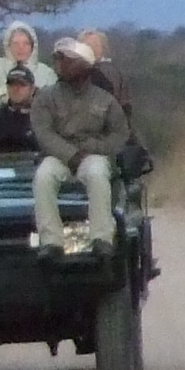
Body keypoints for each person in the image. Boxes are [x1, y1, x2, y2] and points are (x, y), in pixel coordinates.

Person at [31, 37, 131, 253]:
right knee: (44, 177)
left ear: (84, 66)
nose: (60, 65)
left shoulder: (105, 100)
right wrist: (71, 154)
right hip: (58, 156)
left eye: (67, 60)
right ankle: (51, 241)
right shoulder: (45, 98)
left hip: (93, 156)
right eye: (58, 60)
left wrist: (94, 148)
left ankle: (102, 238)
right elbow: (44, 134)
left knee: (97, 173)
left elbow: (120, 134)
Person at [0, 22, 54, 128]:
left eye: (26, 43)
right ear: (8, 45)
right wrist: (4, 94)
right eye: (15, 43)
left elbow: (54, 103)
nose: (20, 48)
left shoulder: (46, 72)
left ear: (33, 46)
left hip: (36, 124)